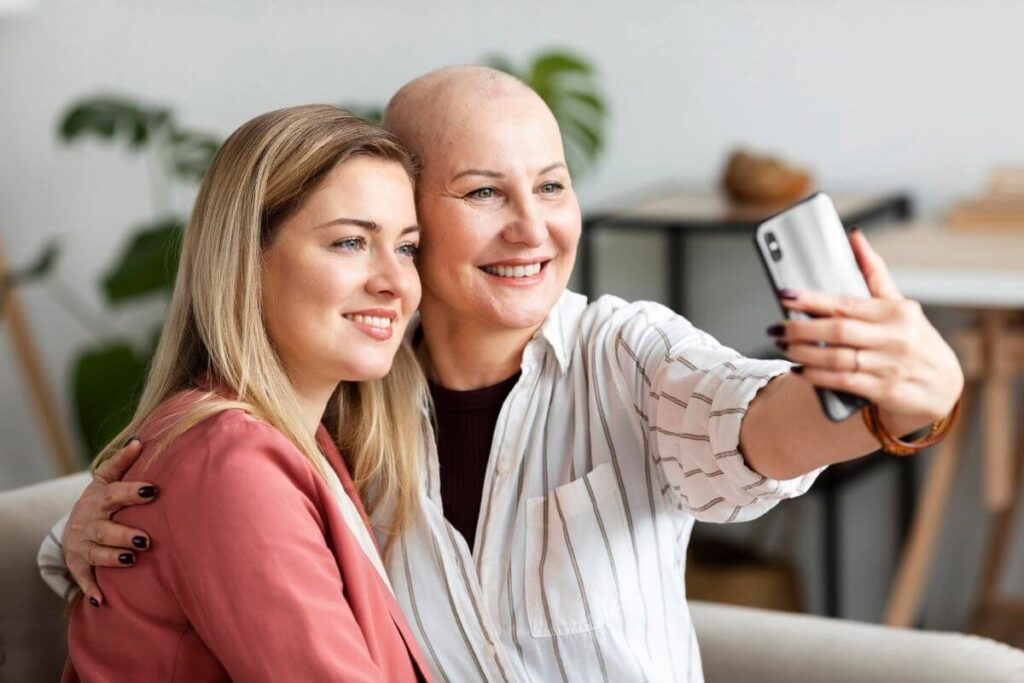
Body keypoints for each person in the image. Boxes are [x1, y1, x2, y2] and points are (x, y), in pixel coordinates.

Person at [43, 67, 963, 682]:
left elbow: (756, 421)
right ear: (419, 218)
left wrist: (906, 405)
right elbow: (214, 520)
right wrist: (82, 528)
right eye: (484, 192)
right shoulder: (336, 396)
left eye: (553, 186)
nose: (534, 228)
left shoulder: (624, 356)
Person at [53, 104, 431, 682]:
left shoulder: (300, 442)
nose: (396, 281)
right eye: (351, 242)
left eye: (406, 248)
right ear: (246, 262)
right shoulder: (231, 458)